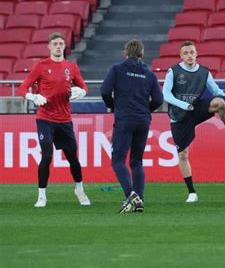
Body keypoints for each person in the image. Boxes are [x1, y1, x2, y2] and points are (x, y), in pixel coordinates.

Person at [163, 40, 225, 203]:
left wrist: (222, 92)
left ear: (196, 54)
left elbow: (214, 90)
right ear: (181, 56)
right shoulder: (173, 72)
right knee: (182, 154)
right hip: (179, 116)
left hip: (194, 110)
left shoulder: (204, 72)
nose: (189, 55)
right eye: (186, 53)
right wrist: (183, 104)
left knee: (219, 103)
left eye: (192, 52)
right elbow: (166, 95)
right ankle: (192, 192)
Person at [18, 32, 90, 208]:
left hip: (65, 119)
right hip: (45, 118)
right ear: (49, 47)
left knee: (73, 158)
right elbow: (22, 87)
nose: (58, 46)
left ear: (64, 47)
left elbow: (83, 86)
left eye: (61, 44)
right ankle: (42, 195)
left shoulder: (71, 67)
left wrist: (82, 92)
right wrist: (32, 97)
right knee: (47, 155)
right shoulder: (41, 66)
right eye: (55, 44)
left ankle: (79, 189)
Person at [101, 39, 163, 213]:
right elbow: (158, 99)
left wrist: (113, 106)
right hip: (143, 120)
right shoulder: (149, 74)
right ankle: (140, 200)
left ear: (125, 53)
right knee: (137, 161)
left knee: (118, 160)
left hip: (125, 118)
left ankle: (131, 195)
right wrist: (146, 110)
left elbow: (105, 91)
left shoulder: (117, 69)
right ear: (142, 55)